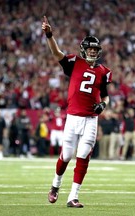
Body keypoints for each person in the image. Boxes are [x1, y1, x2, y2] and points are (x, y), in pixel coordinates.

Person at [42, 16, 112, 208]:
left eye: (95, 50)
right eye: (90, 49)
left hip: (91, 119)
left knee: (83, 156)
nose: (92, 52)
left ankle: (73, 196)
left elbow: (106, 96)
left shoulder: (104, 71)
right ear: (84, 49)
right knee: (66, 156)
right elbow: (56, 53)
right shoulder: (74, 62)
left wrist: (103, 106)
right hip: (73, 117)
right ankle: (55, 185)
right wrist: (49, 35)